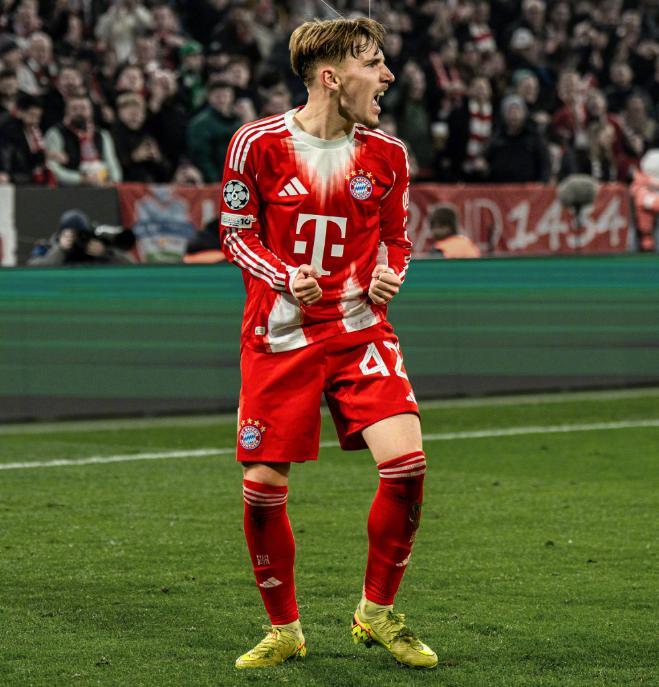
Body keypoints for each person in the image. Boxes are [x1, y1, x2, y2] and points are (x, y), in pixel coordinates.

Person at [219, 17, 437, 671]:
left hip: (358, 329)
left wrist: (391, 270)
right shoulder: (256, 144)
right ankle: (285, 629)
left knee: (406, 467)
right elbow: (235, 234)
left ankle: (376, 612)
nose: (388, 76)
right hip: (279, 336)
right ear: (330, 77)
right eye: (373, 63)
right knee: (263, 488)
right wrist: (285, 275)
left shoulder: (388, 154)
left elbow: (397, 239)